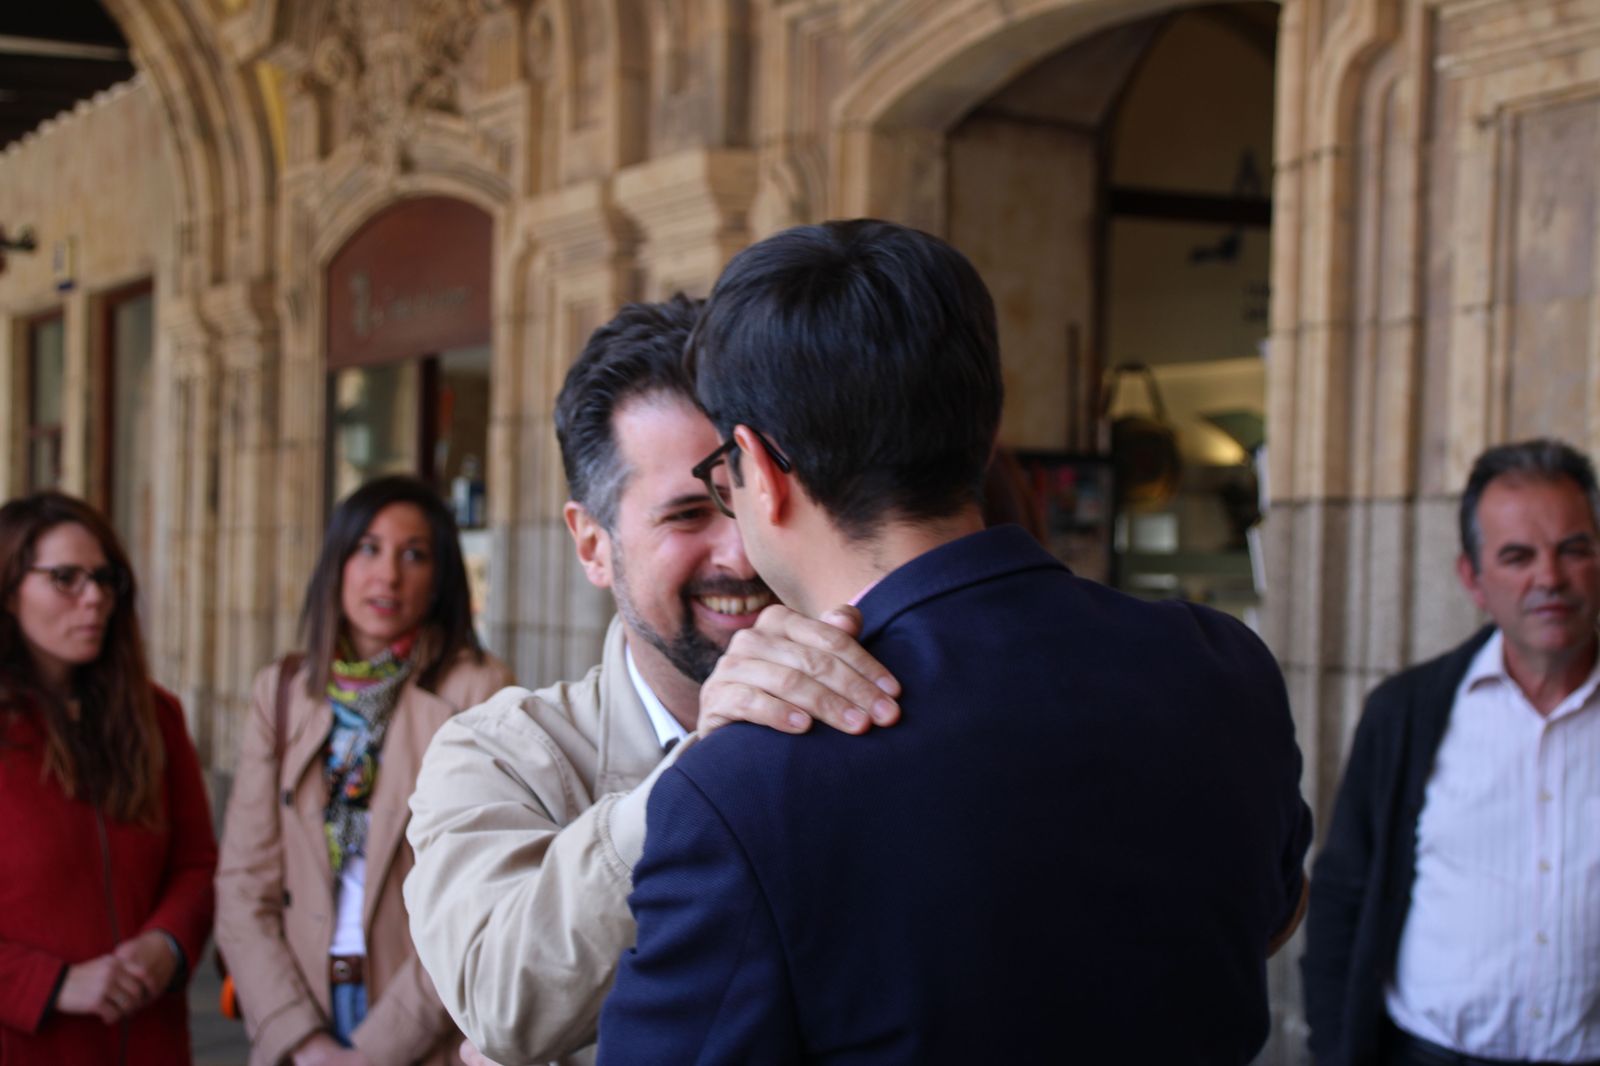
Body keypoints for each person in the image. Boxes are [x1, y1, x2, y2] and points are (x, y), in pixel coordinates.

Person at [597, 219, 1313, 1064]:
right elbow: (1270, 912)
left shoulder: (749, 783)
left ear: (759, 465)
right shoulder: (1219, 663)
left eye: (721, 477)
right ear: (986, 420)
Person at [404, 295, 903, 1066]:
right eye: (687, 516)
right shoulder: (502, 754)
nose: (740, 554)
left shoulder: (884, 705)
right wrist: (698, 773)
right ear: (592, 544)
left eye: (754, 498)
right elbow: (501, 998)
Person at [1303, 438, 1600, 1066]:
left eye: (1573, 549)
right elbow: (1341, 899)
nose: (1549, 578)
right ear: (1473, 578)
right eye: (1517, 556)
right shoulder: (1405, 713)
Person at [216, 475, 513, 1066]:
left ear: (441, 576)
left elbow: (481, 903)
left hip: (423, 1026)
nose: (388, 576)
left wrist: (375, 1052)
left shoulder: (480, 691)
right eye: (368, 548)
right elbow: (243, 885)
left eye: (414, 555)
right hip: (299, 1008)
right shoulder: (283, 690)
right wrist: (299, 1038)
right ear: (338, 561)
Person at [0, 491, 217, 1063]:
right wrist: (50, 984)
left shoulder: (154, 717)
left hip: (147, 1042)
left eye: (105, 578)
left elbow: (196, 864)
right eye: (66, 578)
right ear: (9, 589)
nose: (94, 597)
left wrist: (165, 944)